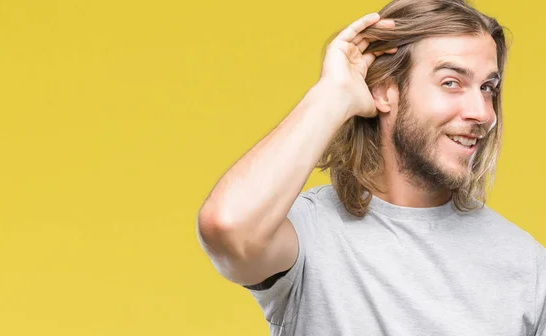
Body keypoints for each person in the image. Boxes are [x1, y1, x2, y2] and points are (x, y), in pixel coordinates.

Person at [196, 0, 546, 334]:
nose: (483, 113)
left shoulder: (528, 267)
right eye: (451, 83)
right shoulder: (308, 233)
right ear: (383, 91)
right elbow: (227, 227)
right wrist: (332, 94)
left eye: (488, 88)